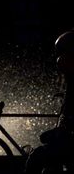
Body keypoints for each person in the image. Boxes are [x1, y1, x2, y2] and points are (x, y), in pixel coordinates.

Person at [25, 30, 74, 173]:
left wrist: (61, 131)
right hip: (68, 136)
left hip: (70, 139)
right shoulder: (71, 81)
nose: (59, 60)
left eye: (62, 54)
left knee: (37, 157)